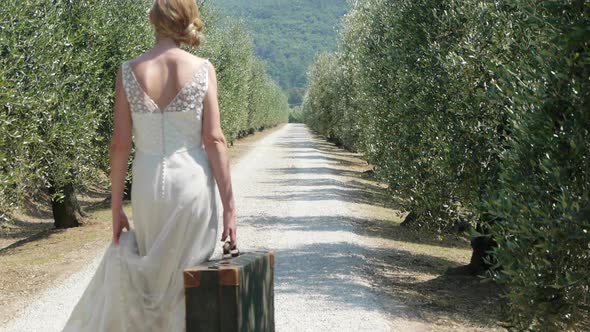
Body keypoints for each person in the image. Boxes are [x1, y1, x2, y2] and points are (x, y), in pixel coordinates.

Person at [62, 0, 236, 330]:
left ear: (153, 20)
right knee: (189, 279)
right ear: (187, 21)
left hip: (146, 183)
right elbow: (214, 140)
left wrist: (116, 207)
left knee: (152, 284)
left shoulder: (129, 71)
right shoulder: (202, 69)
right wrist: (230, 208)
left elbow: (120, 144)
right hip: (191, 182)